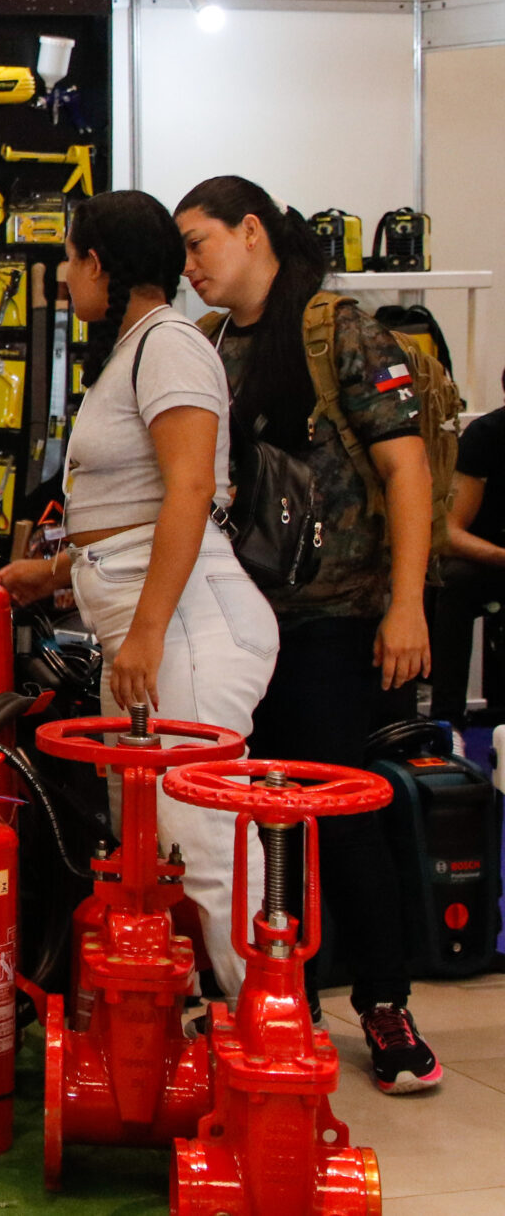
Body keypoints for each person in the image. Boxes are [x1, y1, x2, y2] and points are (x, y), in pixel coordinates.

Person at [175, 175, 442, 1093]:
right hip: (237, 620)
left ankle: (385, 1001)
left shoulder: (342, 332)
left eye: (201, 242)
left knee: (342, 812)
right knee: (256, 819)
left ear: (252, 230)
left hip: (335, 620)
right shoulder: (211, 344)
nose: (190, 265)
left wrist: (406, 604)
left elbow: (407, 469)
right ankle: (289, 1001)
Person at [0, 191, 277, 997]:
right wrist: (55, 572)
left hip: (186, 630)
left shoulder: (169, 345)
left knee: (203, 844)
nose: (62, 276)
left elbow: (189, 489)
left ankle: (266, 1030)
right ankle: (181, 1031)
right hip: (150, 632)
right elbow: (132, 509)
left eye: (68, 258)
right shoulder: (135, 349)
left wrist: (149, 633)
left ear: (96, 263)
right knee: (151, 850)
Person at [433, 371, 505, 723]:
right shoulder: (487, 436)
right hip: (490, 558)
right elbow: (449, 533)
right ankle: (448, 720)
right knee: (455, 579)